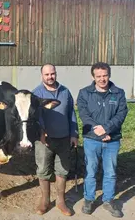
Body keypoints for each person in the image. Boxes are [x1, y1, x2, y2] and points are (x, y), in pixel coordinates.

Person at [77, 62, 128, 218]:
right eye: (98, 76)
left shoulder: (118, 93)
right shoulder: (84, 93)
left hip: (112, 140)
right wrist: (99, 131)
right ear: (93, 76)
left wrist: (107, 129)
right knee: (90, 170)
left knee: (110, 172)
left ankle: (108, 200)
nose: (102, 79)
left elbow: (121, 114)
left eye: (104, 75)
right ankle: (89, 199)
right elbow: (84, 115)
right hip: (91, 139)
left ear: (109, 75)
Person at [32, 63, 79, 216]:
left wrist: (74, 134)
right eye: (47, 74)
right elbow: (34, 117)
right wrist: (41, 131)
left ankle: (61, 201)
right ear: (41, 76)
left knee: (62, 170)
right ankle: (45, 201)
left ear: (56, 74)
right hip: (44, 141)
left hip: (64, 138)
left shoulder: (65, 92)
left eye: (52, 74)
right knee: (43, 170)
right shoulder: (36, 94)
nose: (50, 77)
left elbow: (71, 113)